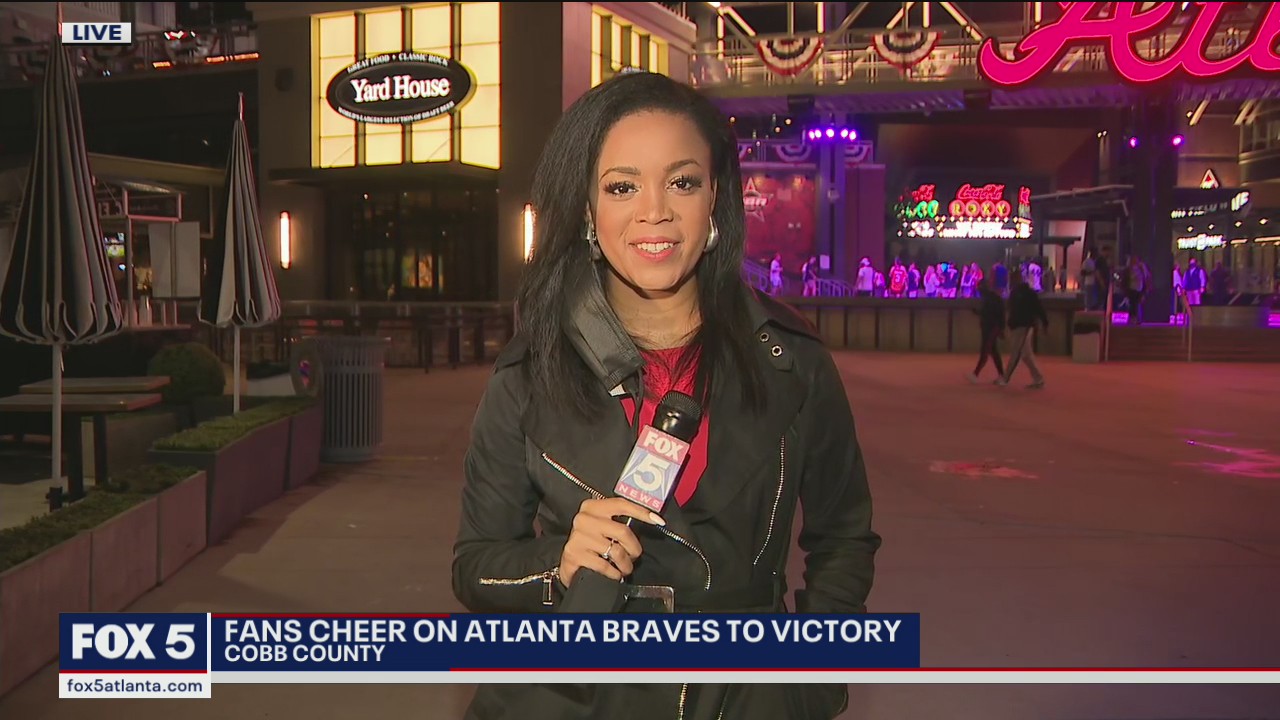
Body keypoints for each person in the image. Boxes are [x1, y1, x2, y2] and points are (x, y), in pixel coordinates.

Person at [452, 71, 881, 720]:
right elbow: (475, 565)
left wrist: (813, 680)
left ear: (716, 200)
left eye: (682, 182)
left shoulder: (794, 363)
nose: (655, 211)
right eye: (622, 186)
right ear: (588, 210)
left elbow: (843, 536)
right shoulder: (528, 374)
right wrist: (559, 564)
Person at [997, 269, 1047, 389]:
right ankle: (1038, 378)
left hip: (1022, 326)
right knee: (1026, 354)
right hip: (1022, 325)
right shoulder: (1024, 293)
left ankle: (1005, 378)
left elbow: (1037, 309)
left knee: (1016, 353)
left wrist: (1044, 323)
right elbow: (1039, 309)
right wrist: (1044, 323)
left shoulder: (1018, 294)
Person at [968, 279, 1005, 384]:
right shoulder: (993, 298)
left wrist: (1000, 328)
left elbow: (990, 313)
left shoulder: (989, 299)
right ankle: (1001, 375)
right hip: (991, 327)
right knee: (993, 351)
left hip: (990, 328)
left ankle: (976, 374)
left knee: (986, 350)